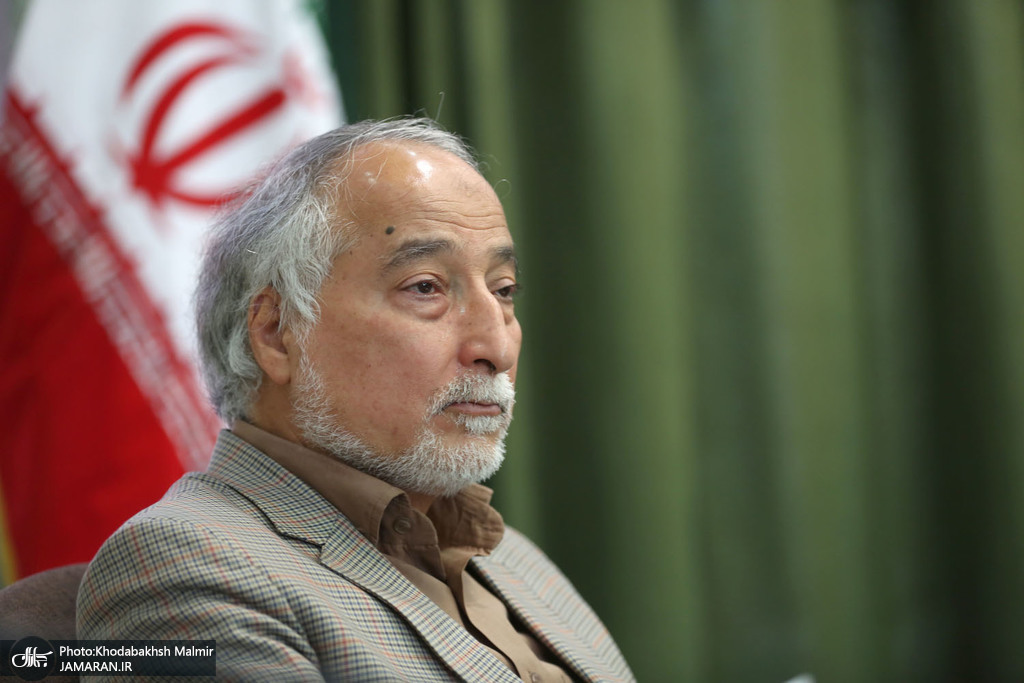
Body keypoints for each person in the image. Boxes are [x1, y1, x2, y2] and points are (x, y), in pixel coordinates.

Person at [77, 119, 635, 682]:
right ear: (276, 333)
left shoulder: (513, 556)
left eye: (504, 290)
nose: (497, 346)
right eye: (426, 287)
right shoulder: (186, 565)